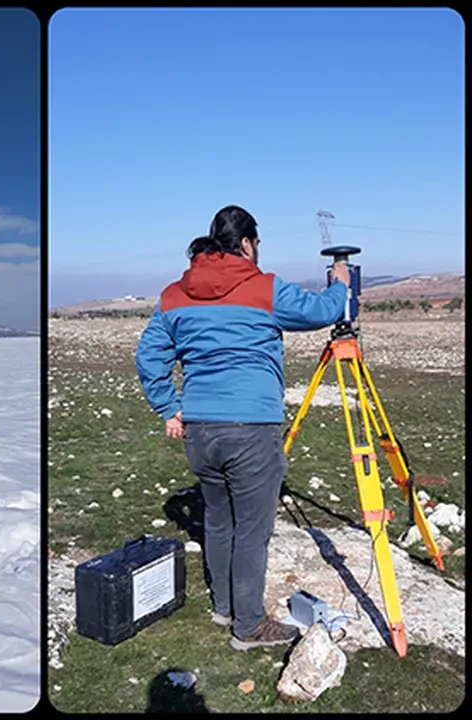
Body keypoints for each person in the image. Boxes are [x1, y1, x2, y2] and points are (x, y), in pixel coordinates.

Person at [135, 205, 351, 651]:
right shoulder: (261, 287)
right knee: (253, 530)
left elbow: (149, 356)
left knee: (218, 520)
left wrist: (168, 408)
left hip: (201, 431)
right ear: (248, 243)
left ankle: (224, 606)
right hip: (250, 428)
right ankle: (248, 626)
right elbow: (321, 311)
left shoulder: (175, 294)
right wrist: (341, 284)